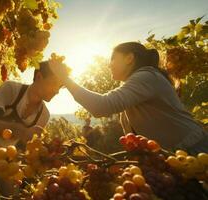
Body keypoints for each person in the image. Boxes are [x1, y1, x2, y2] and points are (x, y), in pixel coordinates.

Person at [49, 42, 208, 154]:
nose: (109, 64)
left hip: (194, 150)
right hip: (178, 155)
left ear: (129, 58)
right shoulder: (139, 83)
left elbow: (101, 106)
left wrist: (65, 78)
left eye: (113, 58)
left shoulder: (146, 76)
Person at [0, 60, 65, 200]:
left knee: (15, 196)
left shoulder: (44, 115)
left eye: (60, 87)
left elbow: (22, 150)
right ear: (39, 77)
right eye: (55, 83)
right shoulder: (11, 90)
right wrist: (20, 131)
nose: (57, 91)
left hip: (7, 163)